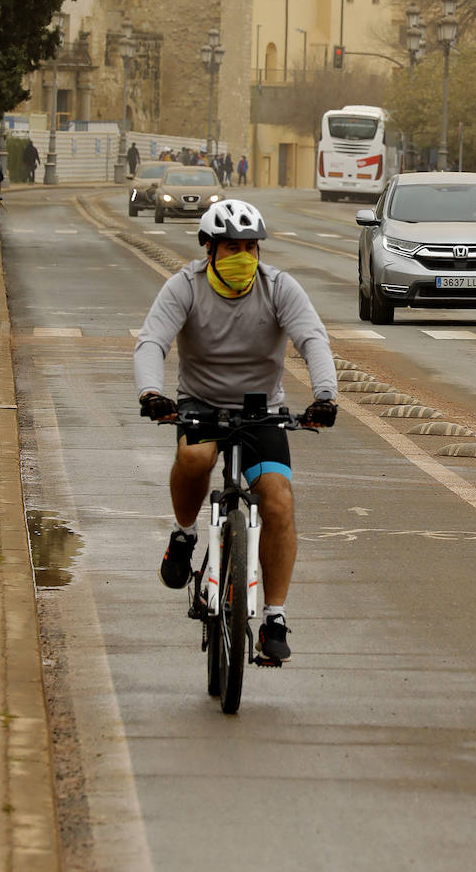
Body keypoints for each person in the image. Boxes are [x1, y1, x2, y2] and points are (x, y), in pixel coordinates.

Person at [134, 199, 338, 663]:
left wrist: (326, 397)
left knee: (278, 499)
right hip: (199, 405)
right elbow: (152, 341)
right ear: (208, 249)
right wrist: (151, 393)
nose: (244, 255)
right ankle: (184, 534)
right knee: (194, 459)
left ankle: (274, 617)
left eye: (251, 246)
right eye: (232, 247)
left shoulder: (279, 287)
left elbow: (312, 338)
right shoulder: (184, 287)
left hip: (261, 411)